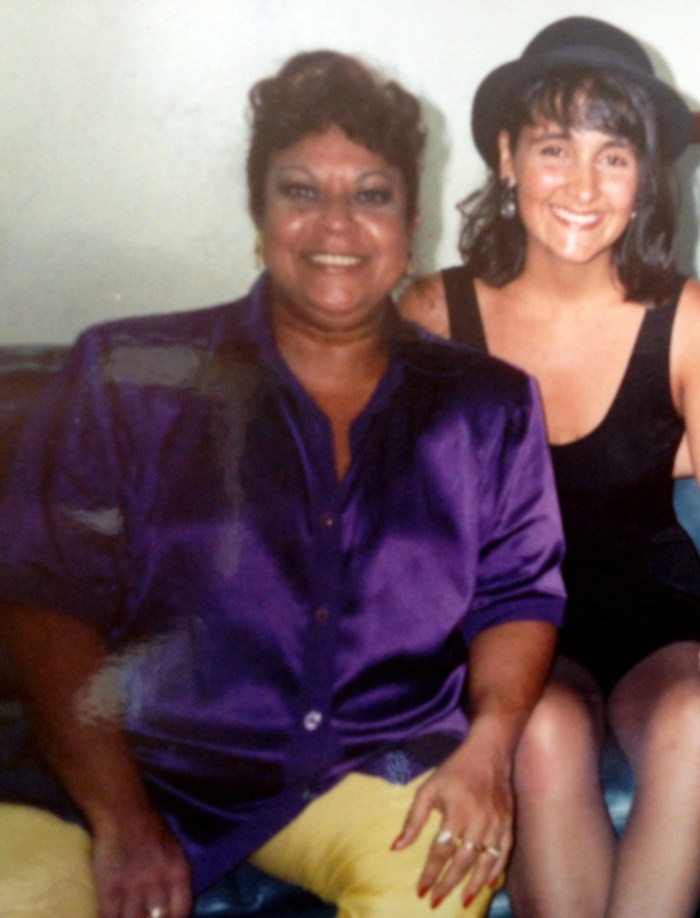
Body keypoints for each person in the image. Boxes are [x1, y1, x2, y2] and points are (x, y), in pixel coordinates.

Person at [0, 50, 565, 918]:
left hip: (367, 770)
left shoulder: (487, 406)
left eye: (371, 194)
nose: (337, 224)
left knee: (433, 887)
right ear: (259, 213)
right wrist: (122, 820)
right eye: (301, 191)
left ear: (411, 221)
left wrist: (487, 749)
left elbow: (517, 596)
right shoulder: (127, 373)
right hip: (134, 767)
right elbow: (44, 600)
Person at [400, 16, 700, 918]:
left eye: (615, 156)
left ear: (646, 178)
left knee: (698, 722)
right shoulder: (433, 315)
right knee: (545, 729)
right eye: (555, 148)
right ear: (507, 156)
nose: (583, 186)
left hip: (658, 622)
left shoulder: (686, 319)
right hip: (506, 626)